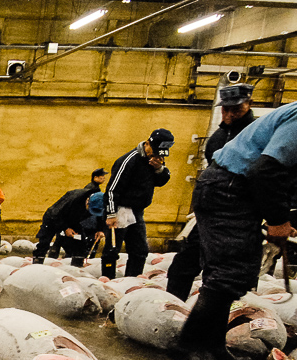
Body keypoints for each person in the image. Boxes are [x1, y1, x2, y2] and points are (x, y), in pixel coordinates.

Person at [172, 100, 297, 360]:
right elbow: (266, 170)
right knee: (228, 272)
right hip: (228, 188)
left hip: (234, 189)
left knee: (233, 274)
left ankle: (213, 346)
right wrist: (278, 220)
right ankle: (190, 345)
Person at [167, 83, 257, 299]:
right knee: (183, 263)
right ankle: (174, 308)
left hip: (238, 217)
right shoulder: (217, 137)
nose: (229, 113)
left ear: (249, 104)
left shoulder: (256, 135)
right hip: (210, 213)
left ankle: (218, 320)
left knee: (220, 272)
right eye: (226, 108)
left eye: (237, 108)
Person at [101, 129, 173, 279]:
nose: (156, 156)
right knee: (112, 250)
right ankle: (108, 281)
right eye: (154, 151)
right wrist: (111, 213)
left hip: (137, 211)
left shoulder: (156, 160)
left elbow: (161, 182)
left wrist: (159, 169)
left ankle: (132, 280)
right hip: (120, 209)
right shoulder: (129, 160)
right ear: (147, 144)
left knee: (140, 250)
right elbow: (112, 189)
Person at [32, 184, 105, 266]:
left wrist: (100, 229)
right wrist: (65, 228)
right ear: (88, 201)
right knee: (44, 242)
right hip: (53, 218)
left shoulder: (101, 200)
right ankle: (37, 262)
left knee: (81, 242)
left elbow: (100, 216)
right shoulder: (74, 199)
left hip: (73, 220)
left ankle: (77, 265)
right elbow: (55, 214)